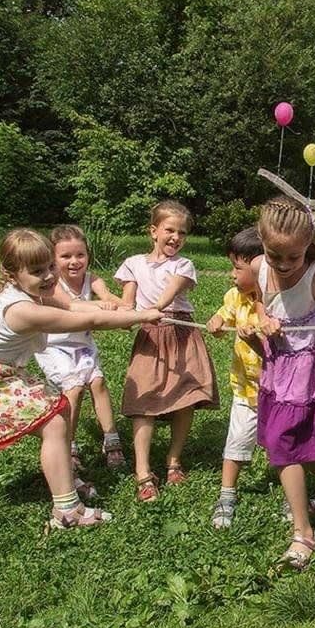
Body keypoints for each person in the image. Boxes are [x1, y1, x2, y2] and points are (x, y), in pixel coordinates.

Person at [0, 228, 161, 528]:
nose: (48, 276)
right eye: (37, 271)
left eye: (49, 267)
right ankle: (67, 510)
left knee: (58, 414)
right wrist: (140, 317)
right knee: (54, 421)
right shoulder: (21, 309)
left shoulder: (31, 293)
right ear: (11, 273)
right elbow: (86, 319)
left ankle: (65, 479)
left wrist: (122, 308)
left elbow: (74, 305)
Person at [251, 196, 315, 569]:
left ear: (308, 245)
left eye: (294, 256)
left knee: (282, 445)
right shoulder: (259, 267)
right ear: (262, 243)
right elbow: (261, 303)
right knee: (299, 446)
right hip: (276, 368)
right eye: (277, 256)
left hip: (307, 373)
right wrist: (261, 319)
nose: (286, 265)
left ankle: (303, 532)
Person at [115, 201, 219, 501]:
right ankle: (143, 472)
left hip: (181, 333)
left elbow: (170, 292)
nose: (176, 237)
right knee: (144, 400)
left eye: (182, 233)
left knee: (185, 398)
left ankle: (174, 460)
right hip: (150, 337)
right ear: (153, 231)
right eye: (169, 230)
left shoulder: (183, 265)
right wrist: (121, 314)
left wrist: (151, 310)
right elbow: (127, 302)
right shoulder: (133, 263)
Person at [34, 225, 128, 495]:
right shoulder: (53, 286)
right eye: (66, 257)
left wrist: (121, 305)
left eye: (80, 255)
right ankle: (68, 445)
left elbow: (110, 298)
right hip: (55, 346)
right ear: (53, 259)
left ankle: (112, 439)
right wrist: (105, 308)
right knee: (73, 390)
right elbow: (74, 308)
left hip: (82, 344)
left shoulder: (92, 278)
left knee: (98, 383)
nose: (74, 262)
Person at [207, 226, 264, 529]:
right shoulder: (235, 296)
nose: (232, 274)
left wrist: (257, 339)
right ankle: (227, 494)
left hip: (277, 391)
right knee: (236, 443)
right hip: (245, 388)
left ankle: (292, 494)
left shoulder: (276, 302)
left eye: (237, 268)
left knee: (283, 449)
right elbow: (223, 314)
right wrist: (216, 320)